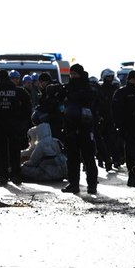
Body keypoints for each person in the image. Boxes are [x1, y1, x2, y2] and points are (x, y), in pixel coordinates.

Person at [0, 69, 32, 184]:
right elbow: (28, 104)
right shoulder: (18, 91)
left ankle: (3, 175)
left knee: (1, 151)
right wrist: (22, 119)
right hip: (14, 125)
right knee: (15, 150)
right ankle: (15, 174)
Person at [61, 63, 99, 194]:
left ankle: (92, 185)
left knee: (88, 158)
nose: (73, 76)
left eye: (75, 74)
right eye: (71, 74)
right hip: (71, 128)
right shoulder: (68, 87)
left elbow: (91, 99)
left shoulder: (88, 88)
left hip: (85, 127)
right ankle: (73, 184)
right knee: (72, 158)